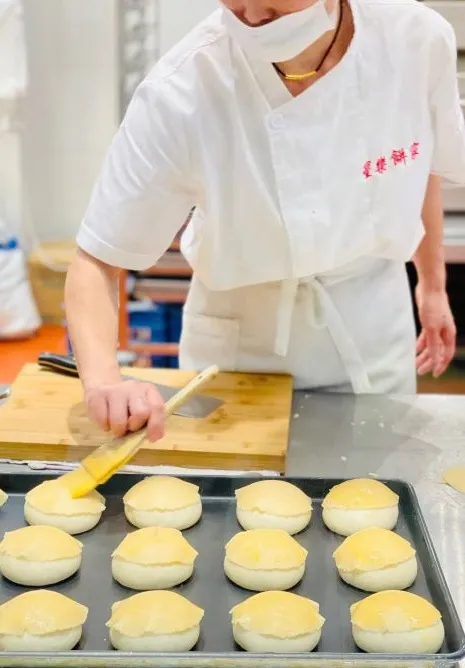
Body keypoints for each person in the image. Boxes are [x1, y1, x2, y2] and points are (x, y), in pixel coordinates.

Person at [65, 0, 465, 442]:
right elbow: (97, 260)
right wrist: (103, 381)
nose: (252, 16)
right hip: (240, 350)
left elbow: (418, 161)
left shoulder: (413, 41)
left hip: (371, 332)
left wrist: (432, 285)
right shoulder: (183, 90)